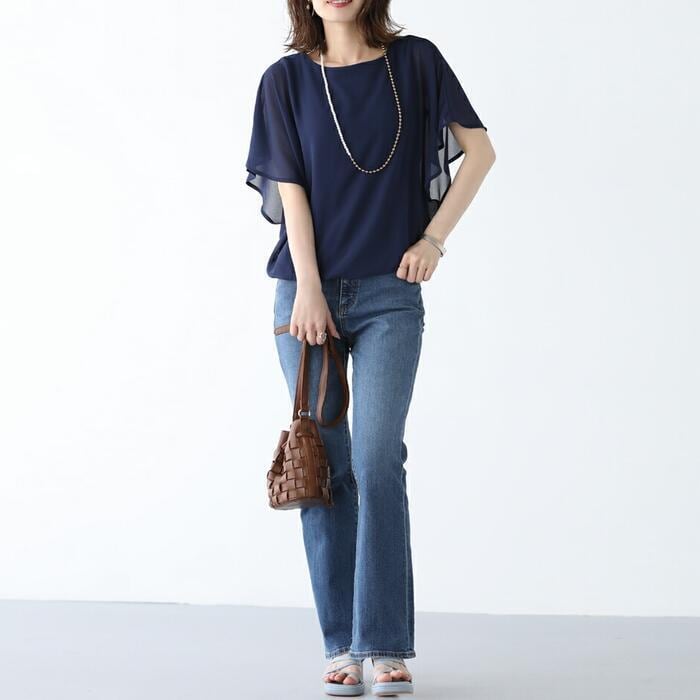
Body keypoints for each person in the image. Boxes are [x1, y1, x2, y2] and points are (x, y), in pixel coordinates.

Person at [245, 0, 495, 695]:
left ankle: (383, 642)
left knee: (379, 459)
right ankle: (341, 644)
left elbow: (480, 152)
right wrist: (309, 288)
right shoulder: (286, 80)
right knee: (326, 468)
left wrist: (433, 239)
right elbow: (292, 191)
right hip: (306, 297)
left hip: (390, 294)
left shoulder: (415, 62)